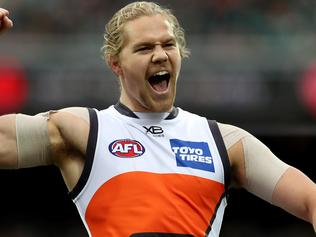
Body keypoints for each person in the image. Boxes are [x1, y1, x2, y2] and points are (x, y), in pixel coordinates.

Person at [0, 2, 315, 237]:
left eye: (168, 45)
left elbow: (309, 199)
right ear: (115, 63)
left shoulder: (226, 141)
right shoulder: (80, 130)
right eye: (144, 48)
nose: (161, 55)